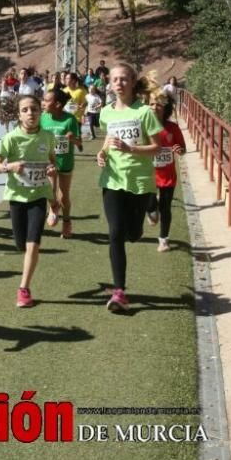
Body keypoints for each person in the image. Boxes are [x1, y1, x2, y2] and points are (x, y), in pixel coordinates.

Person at [96, 64, 162, 312]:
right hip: (112, 179)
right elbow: (108, 140)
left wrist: (131, 149)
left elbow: (157, 147)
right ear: (110, 84)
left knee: (132, 234)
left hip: (140, 181)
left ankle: (143, 219)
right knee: (114, 233)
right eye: (115, 80)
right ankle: (119, 291)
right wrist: (102, 153)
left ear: (133, 82)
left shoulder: (145, 112)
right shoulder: (105, 113)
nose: (119, 83)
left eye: (124, 79)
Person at [0, 95, 58, 308]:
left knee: (33, 244)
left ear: (41, 112)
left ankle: (24, 289)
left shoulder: (47, 137)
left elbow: (52, 164)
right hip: (16, 197)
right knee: (21, 244)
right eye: (25, 110)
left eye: (34, 109)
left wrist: (51, 172)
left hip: (38, 197)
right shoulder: (10, 138)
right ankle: (25, 276)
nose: (30, 113)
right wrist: (9, 167)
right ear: (19, 114)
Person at [41, 88, 83, 238]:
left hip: (65, 162)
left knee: (64, 195)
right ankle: (53, 207)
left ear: (57, 104)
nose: (43, 103)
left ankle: (66, 222)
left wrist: (72, 138)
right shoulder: (43, 118)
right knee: (49, 190)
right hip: (48, 162)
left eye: (47, 100)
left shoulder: (70, 119)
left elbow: (79, 143)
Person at [148, 93, 187, 252]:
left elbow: (183, 149)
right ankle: (151, 208)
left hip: (168, 176)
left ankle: (163, 239)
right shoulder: (144, 126)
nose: (154, 107)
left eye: (158, 105)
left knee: (166, 208)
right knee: (149, 204)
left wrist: (179, 150)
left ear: (165, 108)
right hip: (148, 175)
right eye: (151, 104)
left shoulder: (173, 128)